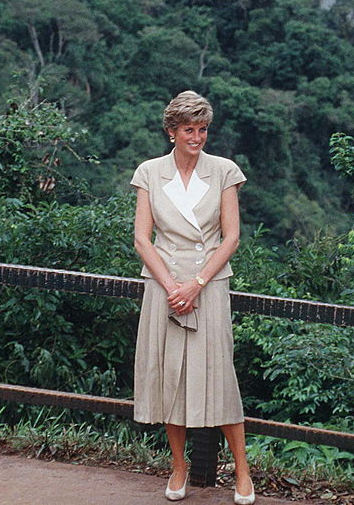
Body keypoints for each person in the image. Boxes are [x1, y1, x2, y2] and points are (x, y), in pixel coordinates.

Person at [130, 90, 254, 504]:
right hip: (163, 284)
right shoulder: (149, 172)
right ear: (171, 131)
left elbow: (231, 237)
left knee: (220, 377)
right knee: (170, 377)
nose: (197, 137)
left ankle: (242, 471)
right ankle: (179, 466)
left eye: (202, 129)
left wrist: (197, 283)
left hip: (209, 283)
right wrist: (172, 287)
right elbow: (142, 238)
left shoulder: (224, 171)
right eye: (188, 129)